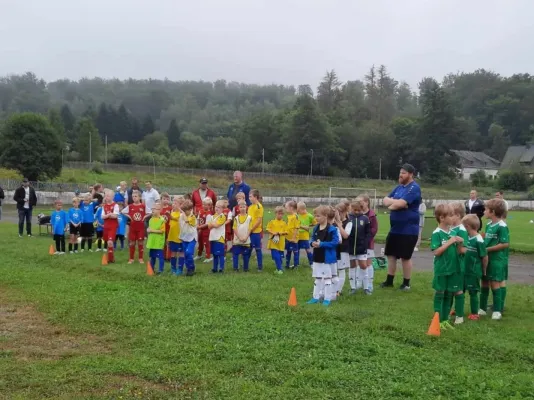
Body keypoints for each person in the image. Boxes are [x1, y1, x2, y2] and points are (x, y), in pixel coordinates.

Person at [381, 164, 422, 291]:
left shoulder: (414, 188)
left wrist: (397, 203)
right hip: (395, 228)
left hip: (408, 230)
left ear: (411, 174)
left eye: (403, 173)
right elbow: (385, 200)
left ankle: (406, 283)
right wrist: (395, 203)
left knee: (405, 257)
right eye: (400, 172)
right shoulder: (399, 187)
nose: (400, 175)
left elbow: (401, 203)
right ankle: (389, 281)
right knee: (391, 254)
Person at [430, 204, 464, 330]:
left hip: (452, 269)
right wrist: (450, 242)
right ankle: (437, 319)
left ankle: (444, 320)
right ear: (442, 218)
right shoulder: (437, 233)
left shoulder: (452, 232)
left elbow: (459, 251)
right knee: (440, 293)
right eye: (450, 215)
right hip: (441, 269)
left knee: (449, 294)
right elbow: (436, 252)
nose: (453, 218)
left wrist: (460, 243)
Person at [479, 199, 509, 321]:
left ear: (492, 212)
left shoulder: (502, 226)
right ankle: (482, 308)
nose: (484, 211)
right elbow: (489, 239)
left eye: (486, 210)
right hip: (487, 259)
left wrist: (487, 249)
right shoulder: (488, 225)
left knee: (495, 283)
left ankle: (497, 310)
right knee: (484, 282)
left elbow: (504, 244)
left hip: (497, 260)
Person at [306, 205, 339, 307]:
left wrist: (322, 244)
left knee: (328, 279)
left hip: (327, 258)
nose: (316, 218)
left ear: (325, 216)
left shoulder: (332, 229)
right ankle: (315, 297)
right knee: (318, 278)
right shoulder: (316, 228)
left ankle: (327, 298)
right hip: (317, 257)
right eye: (315, 216)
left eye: (318, 216)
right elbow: (311, 238)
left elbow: (335, 242)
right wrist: (312, 243)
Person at [461, 214, 488, 321]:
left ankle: (474, 313)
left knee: (473, 291)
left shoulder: (479, 240)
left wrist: (484, 270)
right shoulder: (466, 238)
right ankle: (458, 309)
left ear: (467, 226)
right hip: (464, 270)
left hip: (473, 271)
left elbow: (484, 257)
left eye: (463, 226)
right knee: (460, 290)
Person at [448, 202, 469, 324]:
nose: (448, 217)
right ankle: (448, 311)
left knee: (457, 290)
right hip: (449, 264)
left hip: (457, 265)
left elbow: (463, 250)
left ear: (457, 215)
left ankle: (459, 316)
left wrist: (457, 243)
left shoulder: (461, 230)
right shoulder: (451, 228)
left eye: (450, 215)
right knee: (449, 289)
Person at [348, 199, 371, 295]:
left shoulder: (365, 219)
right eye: (354, 210)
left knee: (364, 266)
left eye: (359, 210)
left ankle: (366, 287)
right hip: (350, 247)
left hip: (362, 248)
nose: (357, 212)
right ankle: (353, 287)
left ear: (362, 209)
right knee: (352, 266)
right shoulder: (348, 218)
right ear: (351, 209)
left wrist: (365, 244)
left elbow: (368, 233)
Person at [359, 195, 378, 291]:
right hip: (358, 244)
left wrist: (367, 238)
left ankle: (369, 284)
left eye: (361, 201)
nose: (360, 203)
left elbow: (374, 229)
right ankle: (359, 283)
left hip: (368, 243)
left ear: (367, 202)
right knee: (359, 263)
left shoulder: (371, 215)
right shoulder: (357, 213)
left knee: (368, 263)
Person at [122, 192, 146, 264]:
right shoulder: (130, 206)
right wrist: (129, 216)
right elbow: (123, 211)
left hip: (140, 227)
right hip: (132, 227)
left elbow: (150, 212)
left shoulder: (143, 206)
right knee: (132, 242)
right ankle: (131, 258)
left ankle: (140, 258)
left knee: (140, 242)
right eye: (133, 196)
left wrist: (144, 217)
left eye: (136, 196)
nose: (134, 197)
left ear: (139, 197)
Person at [334, 203, 351, 296]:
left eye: (339, 212)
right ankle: (333, 288)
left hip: (343, 249)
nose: (337, 215)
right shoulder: (334, 222)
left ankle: (338, 290)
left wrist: (339, 226)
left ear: (344, 212)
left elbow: (345, 235)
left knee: (341, 269)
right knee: (334, 269)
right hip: (335, 248)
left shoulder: (349, 222)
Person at [207, 200, 228, 273]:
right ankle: (214, 268)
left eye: (219, 207)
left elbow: (216, 225)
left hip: (219, 238)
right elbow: (209, 226)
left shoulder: (222, 216)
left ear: (222, 209)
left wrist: (212, 224)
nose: (216, 208)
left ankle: (221, 268)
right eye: (216, 206)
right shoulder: (213, 216)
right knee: (215, 254)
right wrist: (212, 224)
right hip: (213, 238)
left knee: (220, 254)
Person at [232, 200, 252, 272]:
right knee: (235, 254)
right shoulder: (236, 218)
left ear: (246, 207)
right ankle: (235, 268)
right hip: (237, 240)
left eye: (244, 207)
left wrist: (246, 236)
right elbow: (234, 228)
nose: (242, 208)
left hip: (246, 239)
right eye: (241, 207)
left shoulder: (249, 218)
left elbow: (250, 228)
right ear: (238, 208)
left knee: (246, 254)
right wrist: (239, 237)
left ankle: (246, 268)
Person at [267, 206, 288, 274]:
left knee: (279, 256)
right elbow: (268, 229)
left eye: (281, 214)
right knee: (275, 256)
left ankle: (279, 268)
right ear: (275, 214)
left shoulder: (284, 223)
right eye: (279, 214)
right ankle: (279, 268)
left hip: (281, 242)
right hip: (273, 242)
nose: (280, 215)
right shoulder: (272, 222)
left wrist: (280, 233)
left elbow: (286, 231)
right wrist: (273, 233)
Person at [179, 200, 198, 276]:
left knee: (188, 252)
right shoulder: (181, 216)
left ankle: (191, 268)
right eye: (183, 211)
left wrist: (182, 212)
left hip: (191, 238)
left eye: (185, 211)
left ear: (190, 210)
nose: (183, 212)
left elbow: (186, 221)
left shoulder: (192, 217)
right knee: (186, 255)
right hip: (184, 238)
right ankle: (188, 268)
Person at [146, 203, 166, 274]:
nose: (153, 210)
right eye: (152, 209)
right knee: (152, 256)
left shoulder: (162, 220)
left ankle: (161, 270)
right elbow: (150, 228)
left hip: (158, 242)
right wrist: (148, 230)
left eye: (154, 209)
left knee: (160, 257)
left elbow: (162, 231)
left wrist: (151, 230)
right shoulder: (151, 219)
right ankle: (151, 269)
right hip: (152, 242)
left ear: (159, 210)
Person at [168, 196, 185, 275]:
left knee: (181, 252)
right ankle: (173, 268)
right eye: (173, 203)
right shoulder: (172, 212)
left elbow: (175, 219)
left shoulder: (182, 214)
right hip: (172, 237)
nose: (173, 204)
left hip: (180, 237)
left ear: (181, 205)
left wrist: (170, 216)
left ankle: (180, 269)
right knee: (173, 252)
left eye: (175, 203)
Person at [247, 189, 264, 271]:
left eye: (250, 196)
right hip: (249, 231)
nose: (249, 198)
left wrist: (252, 229)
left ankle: (260, 267)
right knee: (248, 249)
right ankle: (246, 266)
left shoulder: (259, 206)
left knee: (257, 249)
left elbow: (259, 220)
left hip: (256, 232)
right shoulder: (250, 207)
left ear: (255, 197)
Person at [101, 189, 119, 263]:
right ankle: (111, 257)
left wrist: (107, 215)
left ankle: (111, 259)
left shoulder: (115, 205)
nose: (106, 197)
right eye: (105, 196)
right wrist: (109, 215)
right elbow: (102, 217)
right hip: (106, 226)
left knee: (110, 242)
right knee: (107, 242)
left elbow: (115, 216)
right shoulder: (104, 206)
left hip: (112, 226)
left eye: (108, 196)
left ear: (112, 197)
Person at [297, 202, 316, 266]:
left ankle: (312, 263)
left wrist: (308, 226)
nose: (297, 211)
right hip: (297, 235)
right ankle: (296, 264)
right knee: (296, 250)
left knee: (307, 249)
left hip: (305, 236)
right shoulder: (297, 215)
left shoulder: (309, 216)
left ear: (302, 209)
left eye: (298, 210)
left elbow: (315, 224)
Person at [196, 198, 214, 262]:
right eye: (203, 204)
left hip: (206, 231)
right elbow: (198, 219)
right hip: (200, 230)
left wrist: (199, 227)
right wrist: (197, 225)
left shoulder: (209, 214)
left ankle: (208, 256)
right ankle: (199, 255)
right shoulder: (200, 211)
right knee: (200, 242)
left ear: (209, 206)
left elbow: (207, 224)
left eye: (206, 205)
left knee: (206, 243)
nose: (204, 206)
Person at [284, 201, 301, 269]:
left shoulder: (295, 216)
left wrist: (294, 238)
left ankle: (296, 265)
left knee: (295, 252)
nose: (285, 209)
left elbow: (296, 228)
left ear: (291, 208)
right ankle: (287, 265)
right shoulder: (289, 216)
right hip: (288, 237)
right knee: (288, 252)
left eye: (286, 208)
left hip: (293, 239)